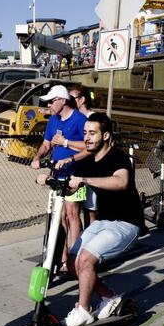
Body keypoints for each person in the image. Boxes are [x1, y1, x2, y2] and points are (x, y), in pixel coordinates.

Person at [49, 113, 144, 326]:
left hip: (126, 223)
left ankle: (83, 310)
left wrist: (84, 179)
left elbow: (121, 182)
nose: (87, 138)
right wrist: (52, 180)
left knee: (86, 260)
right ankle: (109, 297)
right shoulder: (88, 160)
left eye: (92, 133)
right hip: (103, 222)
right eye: (85, 133)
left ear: (106, 135)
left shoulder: (118, 157)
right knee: (72, 264)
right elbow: (74, 185)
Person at [31, 84, 87, 273]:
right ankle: (61, 258)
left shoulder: (80, 119)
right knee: (59, 214)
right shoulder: (53, 120)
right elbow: (46, 143)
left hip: (75, 172)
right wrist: (37, 157)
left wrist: (65, 143)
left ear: (62, 100)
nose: (48, 105)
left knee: (72, 214)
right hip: (57, 173)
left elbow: (89, 147)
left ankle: (73, 257)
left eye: (51, 101)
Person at [61, 85, 98, 226]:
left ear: (82, 99)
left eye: (72, 98)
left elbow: (92, 147)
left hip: (91, 171)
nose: (68, 101)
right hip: (75, 170)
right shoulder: (71, 118)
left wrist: (66, 143)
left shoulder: (92, 118)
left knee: (90, 211)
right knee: (71, 212)